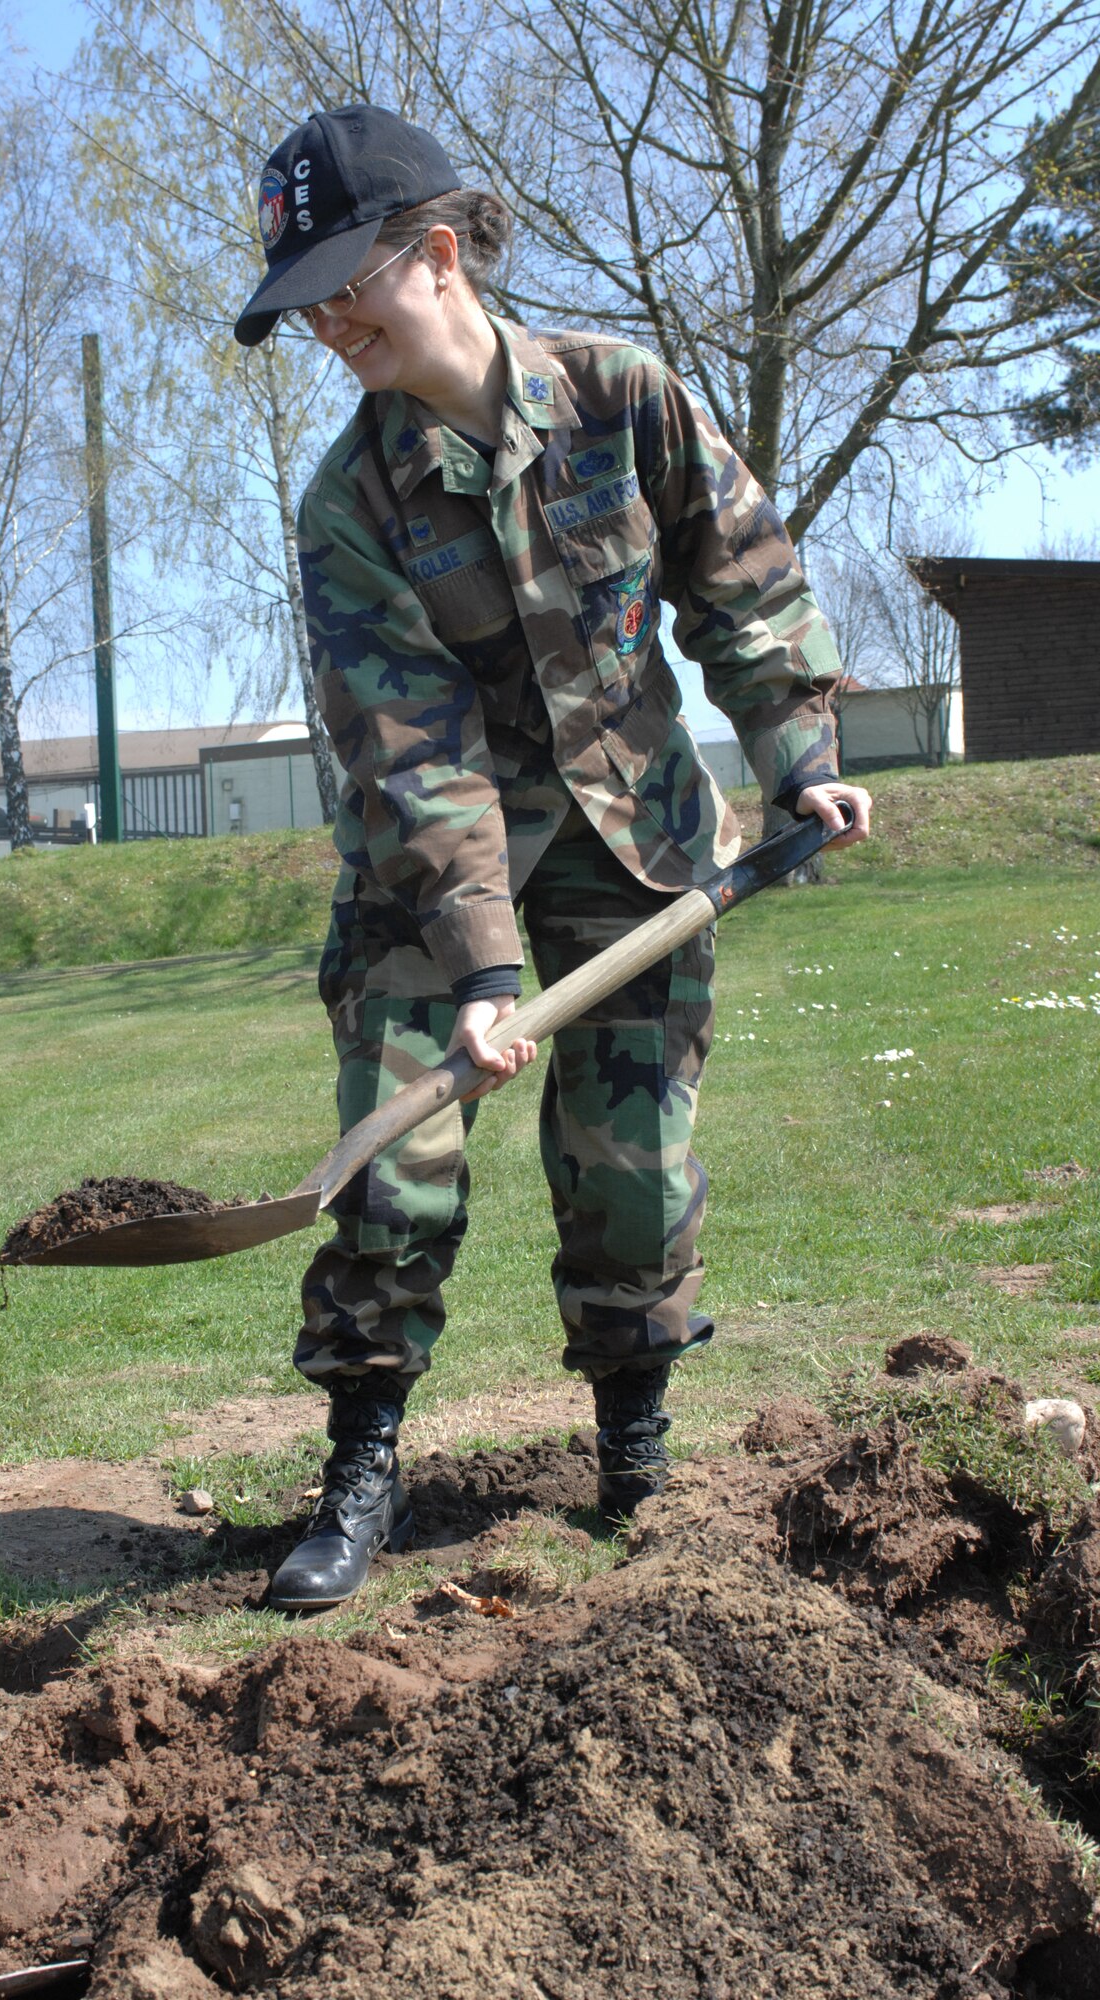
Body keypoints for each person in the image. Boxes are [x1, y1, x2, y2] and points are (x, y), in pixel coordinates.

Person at [233, 105, 871, 1612]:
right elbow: (409, 745)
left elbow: (744, 584)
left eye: (348, 286)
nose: (329, 323)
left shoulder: (620, 394)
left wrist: (803, 763)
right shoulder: (350, 505)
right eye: (307, 300)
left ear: (436, 256)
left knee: (633, 1176)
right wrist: (480, 967)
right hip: (432, 880)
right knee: (399, 1170)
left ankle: (634, 1449)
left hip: (638, 845)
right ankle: (362, 1459)